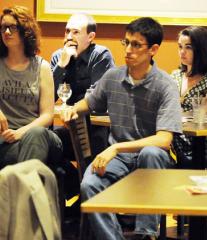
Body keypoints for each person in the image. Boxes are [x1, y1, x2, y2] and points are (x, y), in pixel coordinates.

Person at [62, 17, 182, 240]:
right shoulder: (113, 77)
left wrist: (116, 149)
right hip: (119, 158)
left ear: (153, 49)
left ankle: (145, 235)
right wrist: (73, 109)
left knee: (151, 153)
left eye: (136, 45)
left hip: (153, 158)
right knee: (89, 185)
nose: (128, 50)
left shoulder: (165, 85)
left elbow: (164, 140)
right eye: (125, 42)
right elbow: (90, 103)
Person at [0, 6, 62, 169]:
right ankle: (29, 191)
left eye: (12, 27)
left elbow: (47, 116)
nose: (6, 32)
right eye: (3, 27)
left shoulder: (41, 67)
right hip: (5, 139)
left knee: (35, 136)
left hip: (39, 135)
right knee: (15, 153)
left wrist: (21, 132)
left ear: (25, 30)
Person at [51, 13, 115, 160]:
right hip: (68, 123)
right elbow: (49, 98)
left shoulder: (100, 55)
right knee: (47, 143)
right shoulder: (58, 56)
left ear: (90, 37)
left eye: (75, 32)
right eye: (67, 31)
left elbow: (96, 98)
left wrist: (75, 110)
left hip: (96, 125)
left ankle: (90, 177)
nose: (68, 37)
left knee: (91, 137)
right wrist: (61, 65)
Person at [171, 26, 207, 162]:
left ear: (202, 50)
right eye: (180, 47)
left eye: (188, 47)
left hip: (203, 140)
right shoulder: (175, 75)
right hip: (176, 135)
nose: (182, 52)